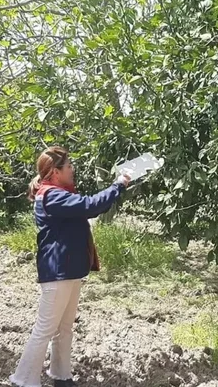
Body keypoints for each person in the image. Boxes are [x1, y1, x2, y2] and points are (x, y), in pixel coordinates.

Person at [10, 146, 131, 387]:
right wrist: (118, 185)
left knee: (64, 328)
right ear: (55, 172)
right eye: (68, 166)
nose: (72, 169)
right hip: (58, 272)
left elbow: (89, 206)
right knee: (45, 329)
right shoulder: (52, 195)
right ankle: (23, 381)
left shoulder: (58, 192)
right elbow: (90, 205)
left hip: (68, 271)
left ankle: (61, 376)